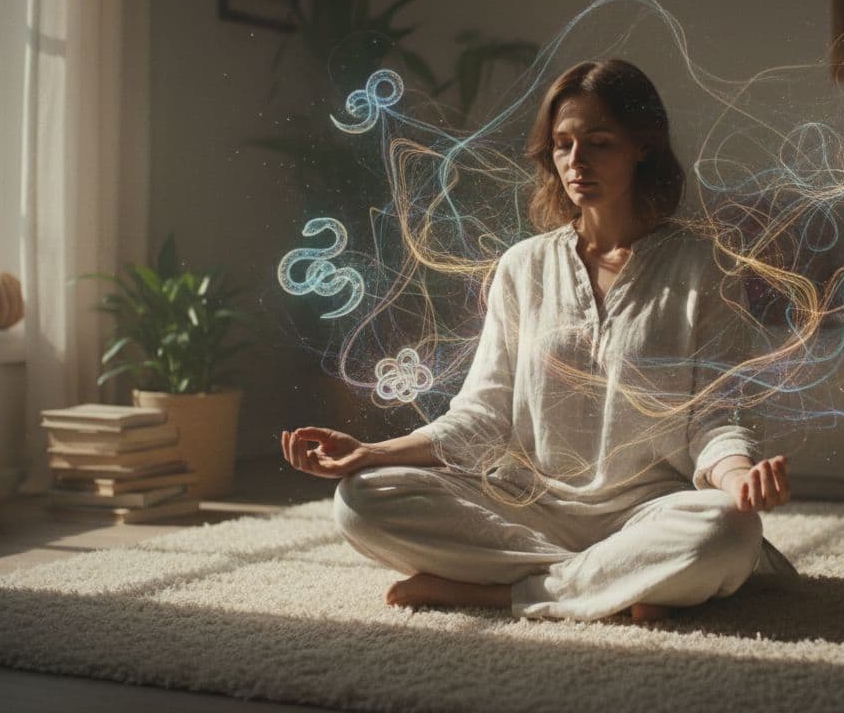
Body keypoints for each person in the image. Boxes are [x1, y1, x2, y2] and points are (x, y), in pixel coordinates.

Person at [280, 59, 797, 623]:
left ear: (643, 147)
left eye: (599, 143)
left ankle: (500, 594)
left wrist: (739, 477)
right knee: (361, 501)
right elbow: (482, 415)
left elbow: (716, 419)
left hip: (648, 512)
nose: (577, 163)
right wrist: (370, 452)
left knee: (727, 530)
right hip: (527, 508)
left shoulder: (703, 268)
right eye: (562, 144)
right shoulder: (521, 267)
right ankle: (616, 580)